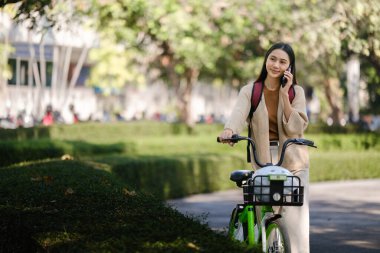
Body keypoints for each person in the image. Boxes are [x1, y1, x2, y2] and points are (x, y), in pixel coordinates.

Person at [219, 42, 310, 253]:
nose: (276, 65)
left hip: (294, 159)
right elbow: (238, 114)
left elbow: (297, 127)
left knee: (295, 221)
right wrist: (229, 130)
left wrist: (285, 94)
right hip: (264, 159)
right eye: (273, 59)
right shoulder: (251, 91)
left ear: (289, 67)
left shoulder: (296, 92)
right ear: (266, 60)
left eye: (282, 61)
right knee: (263, 215)